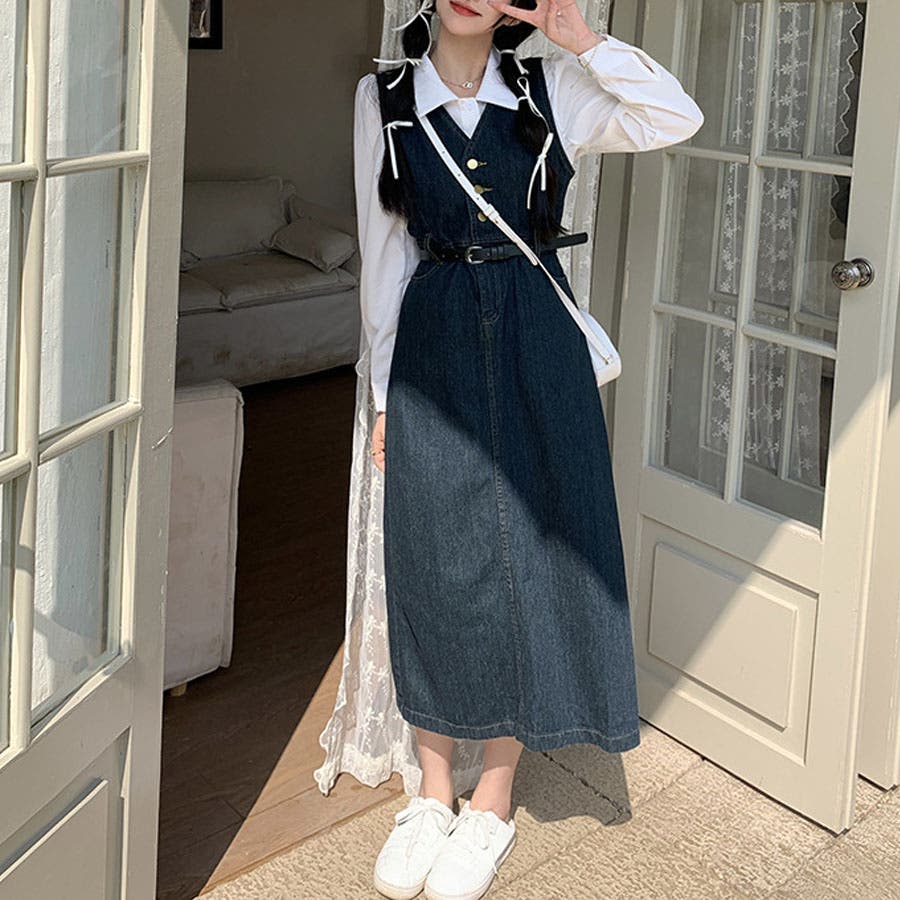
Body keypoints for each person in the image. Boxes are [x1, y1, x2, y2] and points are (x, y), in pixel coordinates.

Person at [353, 1, 703, 897]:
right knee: (433, 555)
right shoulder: (383, 98)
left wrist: (579, 38)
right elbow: (384, 257)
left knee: (529, 556)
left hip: (537, 340)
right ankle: (433, 791)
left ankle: (493, 802)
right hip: (433, 339)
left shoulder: (553, 88)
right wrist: (386, 396)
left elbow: (675, 116)